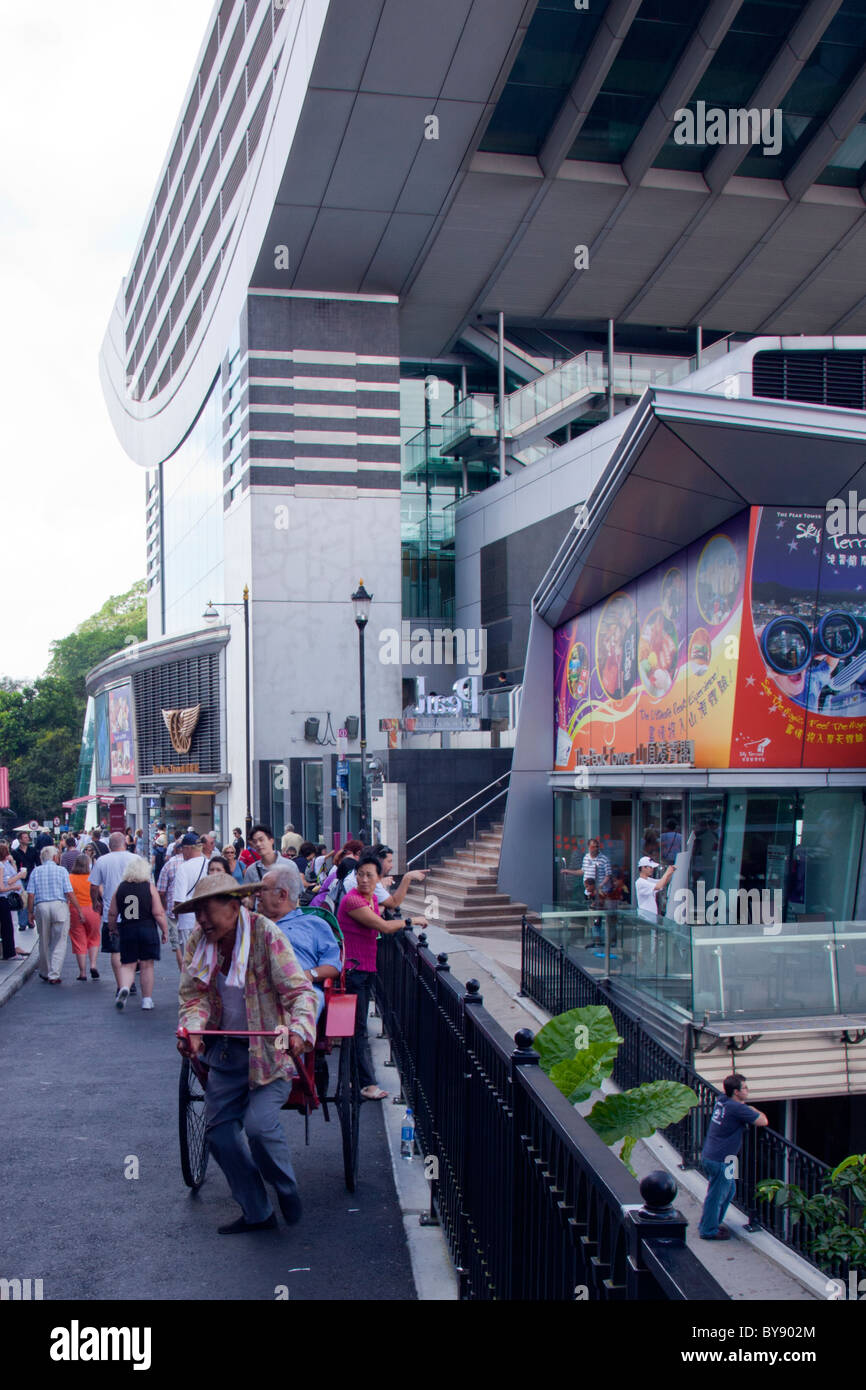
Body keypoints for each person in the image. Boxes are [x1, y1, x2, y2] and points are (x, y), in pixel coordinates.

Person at [176, 873, 318, 1234]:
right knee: (219, 1134)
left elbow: (299, 992)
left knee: (259, 1127)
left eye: (207, 912)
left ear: (234, 906)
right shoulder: (199, 942)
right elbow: (194, 996)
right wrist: (192, 1032)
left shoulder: (265, 934)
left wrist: (300, 1031)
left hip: (271, 1050)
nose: (202, 921)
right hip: (225, 1052)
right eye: (197, 914)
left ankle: (285, 1188)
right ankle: (257, 1210)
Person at [337, 853, 410, 1101]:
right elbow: (386, 927)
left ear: (379, 879)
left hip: (365, 970)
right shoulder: (353, 901)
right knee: (357, 1029)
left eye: (370, 875)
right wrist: (411, 921)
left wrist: (406, 879)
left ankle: (354, 1077)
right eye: (360, 874)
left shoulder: (370, 901)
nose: (364, 879)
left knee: (358, 1028)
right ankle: (367, 1084)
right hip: (354, 972)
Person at [257, 864, 341, 1021]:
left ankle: (296, 1039)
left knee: (310, 998)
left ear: (282, 895)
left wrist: (307, 975)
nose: (257, 894)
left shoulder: (315, 924)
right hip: (256, 988)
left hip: (300, 989)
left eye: (263, 889)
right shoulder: (251, 924)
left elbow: (333, 965)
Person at [698, 1074, 768, 1240]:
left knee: (729, 1191)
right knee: (716, 1196)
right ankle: (708, 1230)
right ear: (736, 1092)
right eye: (745, 1088)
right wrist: (752, 1109)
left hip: (724, 1158)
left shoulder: (723, 1100)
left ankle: (712, 1223)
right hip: (720, 1160)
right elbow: (763, 1121)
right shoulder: (738, 1109)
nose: (748, 1090)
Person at [108, 856, 169, 1011]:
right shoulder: (149, 887)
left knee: (128, 965)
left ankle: (124, 988)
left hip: (128, 929)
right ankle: (147, 1000)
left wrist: (112, 928)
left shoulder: (120, 888)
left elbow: (112, 913)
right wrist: (164, 930)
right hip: (147, 928)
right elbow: (158, 913)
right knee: (147, 965)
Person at [89, 832, 139, 998]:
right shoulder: (135, 859)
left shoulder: (102, 861)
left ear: (110, 846)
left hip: (111, 912)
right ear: (125, 843)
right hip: (133, 910)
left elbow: (94, 886)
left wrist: (95, 901)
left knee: (116, 951)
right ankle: (130, 982)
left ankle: (120, 985)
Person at [27, 846, 77, 985]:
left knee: (43, 941)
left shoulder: (36, 871)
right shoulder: (62, 871)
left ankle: (44, 971)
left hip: (41, 906)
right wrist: (78, 909)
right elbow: (68, 892)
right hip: (59, 905)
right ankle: (54, 974)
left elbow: (31, 894)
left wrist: (30, 912)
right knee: (59, 941)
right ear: (55, 858)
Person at [341, 844, 427, 920]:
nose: (391, 865)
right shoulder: (368, 881)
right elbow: (393, 903)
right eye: (389, 861)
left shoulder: (357, 873)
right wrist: (407, 877)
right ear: (379, 861)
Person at [172, 834, 211, 952]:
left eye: (182, 848)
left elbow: (179, 900)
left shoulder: (183, 868)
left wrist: (178, 917)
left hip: (187, 921)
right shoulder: (210, 864)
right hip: (208, 919)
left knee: (189, 961)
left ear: (189, 848)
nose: (181, 851)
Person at [68, 853, 102, 981]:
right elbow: (100, 892)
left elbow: (68, 895)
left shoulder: (70, 877)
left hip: (75, 910)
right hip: (92, 909)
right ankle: (93, 965)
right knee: (94, 937)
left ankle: (82, 972)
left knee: (78, 940)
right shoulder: (92, 877)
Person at [157, 840, 185, 970]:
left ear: (175, 850)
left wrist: (164, 907)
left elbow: (161, 891)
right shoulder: (195, 863)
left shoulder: (169, 865)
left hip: (173, 909)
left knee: (178, 945)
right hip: (192, 909)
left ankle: (183, 973)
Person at [0, 843, 27, 961]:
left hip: (4, 898)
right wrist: (14, 887)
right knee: (7, 927)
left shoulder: (5, 864)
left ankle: (10, 951)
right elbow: (2, 887)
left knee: (8, 925)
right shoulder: (1, 865)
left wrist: (13, 862)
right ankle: (10, 952)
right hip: (4, 898)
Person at [634, 856, 674, 923]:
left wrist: (670, 872)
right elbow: (658, 886)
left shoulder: (647, 880)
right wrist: (667, 872)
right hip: (645, 918)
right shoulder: (640, 882)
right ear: (643, 867)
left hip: (651, 917)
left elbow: (662, 883)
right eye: (650, 867)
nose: (652, 869)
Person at [12, 831, 39, 929]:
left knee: (31, 899)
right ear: (20, 840)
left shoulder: (33, 850)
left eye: (27, 837)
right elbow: (13, 866)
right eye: (25, 837)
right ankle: (22, 923)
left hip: (31, 877)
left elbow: (38, 863)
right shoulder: (15, 852)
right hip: (21, 878)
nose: (27, 839)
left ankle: (30, 921)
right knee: (23, 900)